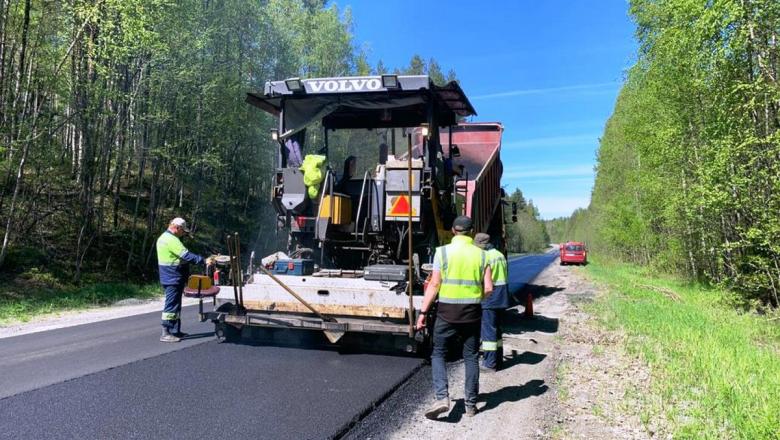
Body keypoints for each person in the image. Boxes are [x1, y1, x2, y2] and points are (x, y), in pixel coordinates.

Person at [416, 216, 493, 419]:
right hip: (472, 314)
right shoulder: (482, 255)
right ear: (472, 231)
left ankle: (442, 398)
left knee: (438, 353)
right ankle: (470, 405)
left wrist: (422, 313)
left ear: (453, 230)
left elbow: (434, 285)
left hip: (446, 314)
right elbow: (488, 288)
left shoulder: (442, 253)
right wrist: (476, 298)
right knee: (471, 357)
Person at [156, 217, 212, 343]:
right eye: (183, 231)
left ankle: (175, 331)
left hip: (171, 276)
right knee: (171, 305)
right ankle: (165, 332)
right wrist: (203, 261)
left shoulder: (164, 238)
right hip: (172, 276)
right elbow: (185, 255)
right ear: (177, 228)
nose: (183, 234)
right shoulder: (171, 240)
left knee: (176, 305)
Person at [474, 233, 509, 372]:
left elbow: (485, 280)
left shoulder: (486, 257)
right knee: (497, 330)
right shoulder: (499, 254)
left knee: (488, 332)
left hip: (491, 297)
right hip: (502, 296)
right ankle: (498, 360)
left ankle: (489, 363)